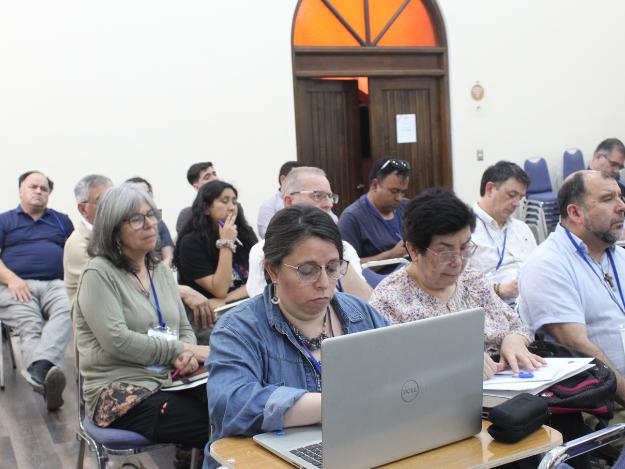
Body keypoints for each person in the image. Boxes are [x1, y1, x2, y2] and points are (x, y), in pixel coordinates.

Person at [204, 205, 388, 468]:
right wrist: (335, 405)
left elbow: (401, 373)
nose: (324, 282)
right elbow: (232, 404)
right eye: (307, 270)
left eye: (333, 267)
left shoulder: (360, 314)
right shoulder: (239, 328)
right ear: (273, 271)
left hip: (355, 449)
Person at [73, 183, 209, 450]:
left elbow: (183, 328)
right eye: (136, 219)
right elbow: (118, 341)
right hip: (120, 390)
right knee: (212, 421)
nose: (150, 224)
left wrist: (187, 355)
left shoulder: (160, 270)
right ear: (113, 229)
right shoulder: (98, 273)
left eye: (152, 214)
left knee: (233, 402)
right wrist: (182, 349)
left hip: (170, 379)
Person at [370, 188, 543, 380]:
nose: (458, 262)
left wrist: (514, 340)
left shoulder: (472, 280)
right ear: (414, 250)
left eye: (465, 247)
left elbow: (517, 324)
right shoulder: (390, 300)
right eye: (446, 252)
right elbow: (391, 371)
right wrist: (457, 362)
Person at [520, 170, 625, 405]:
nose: (621, 206)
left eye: (620, 197)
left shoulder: (619, 256)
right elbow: (575, 344)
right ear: (575, 213)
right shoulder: (548, 264)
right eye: (608, 199)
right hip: (602, 403)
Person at [0, 170, 74, 410]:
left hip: (56, 283)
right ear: (20, 190)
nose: (39, 191)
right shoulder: (4, 220)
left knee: (69, 306)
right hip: (16, 285)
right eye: (33, 187)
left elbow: (75, 252)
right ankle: (46, 377)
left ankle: (40, 371)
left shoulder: (61, 220)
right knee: (30, 322)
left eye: (44, 188)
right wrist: (12, 279)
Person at [247, 167, 372, 300]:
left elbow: (365, 303)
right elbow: (260, 305)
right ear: (289, 201)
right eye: (317, 196)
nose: (328, 204)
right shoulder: (263, 251)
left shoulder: (345, 248)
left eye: (330, 197)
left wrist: (336, 248)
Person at [174, 180, 257, 306]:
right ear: (206, 208)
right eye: (225, 201)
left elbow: (262, 279)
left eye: (234, 201)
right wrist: (226, 243)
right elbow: (220, 290)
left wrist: (225, 300)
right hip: (217, 314)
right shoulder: (190, 243)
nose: (232, 207)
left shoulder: (243, 232)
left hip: (247, 303)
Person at [468, 161, 537, 305]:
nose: (517, 203)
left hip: (532, 300)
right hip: (492, 306)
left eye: (520, 197)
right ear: (490, 189)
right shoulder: (465, 230)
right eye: (512, 195)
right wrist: (500, 289)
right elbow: (457, 287)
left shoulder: (522, 229)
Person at [338, 157, 410, 274]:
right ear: (375, 185)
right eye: (394, 191)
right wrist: (391, 255)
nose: (399, 198)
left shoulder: (408, 207)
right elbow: (346, 268)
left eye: (403, 192)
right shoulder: (351, 218)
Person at [64, 174, 113, 303]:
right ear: (83, 209)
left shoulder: (120, 233)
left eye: (115, 198)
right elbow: (107, 288)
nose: (113, 205)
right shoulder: (77, 244)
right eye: (103, 201)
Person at [126, 176, 175, 266]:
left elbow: (168, 256)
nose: (143, 197)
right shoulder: (125, 223)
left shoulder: (159, 222)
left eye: (146, 193)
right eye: (137, 193)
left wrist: (159, 271)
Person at [256, 160, 303, 238]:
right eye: (299, 180)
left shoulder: (308, 200)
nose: (303, 183)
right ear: (283, 179)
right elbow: (267, 235)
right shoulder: (267, 206)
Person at [176, 162, 219, 234]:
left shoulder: (233, 207)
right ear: (196, 187)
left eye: (214, 174)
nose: (214, 179)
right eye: (207, 177)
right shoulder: (187, 215)